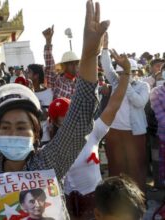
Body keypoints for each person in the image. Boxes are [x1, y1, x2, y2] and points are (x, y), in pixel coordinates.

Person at [0, 1, 110, 219]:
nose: (13, 134)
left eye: (22, 127)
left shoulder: (49, 162)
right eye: (5, 127)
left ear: (37, 134)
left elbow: (81, 115)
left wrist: (88, 56)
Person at [49, 51, 130, 219]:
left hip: (96, 207)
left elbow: (114, 105)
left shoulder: (93, 132)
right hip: (67, 210)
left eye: (71, 113)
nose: (70, 119)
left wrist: (126, 73)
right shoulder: (50, 147)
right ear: (56, 122)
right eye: (62, 117)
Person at [101, 33, 150, 190]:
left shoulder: (143, 86)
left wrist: (125, 81)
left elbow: (139, 102)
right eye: (120, 73)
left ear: (135, 72)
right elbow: (107, 67)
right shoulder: (115, 81)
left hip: (135, 133)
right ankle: (117, 201)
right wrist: (105, 47)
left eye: (127, 72)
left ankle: (140, 201)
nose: (121, 76)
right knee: (116, 169)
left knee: (136, 169)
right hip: (114, 132)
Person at [43, 25, 80, 99]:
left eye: (76, 63)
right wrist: (48, 41)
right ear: (64, 66)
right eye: (71, 63)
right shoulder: (57, 81)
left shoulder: (80, 83)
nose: (74, 66)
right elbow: (50, 66)